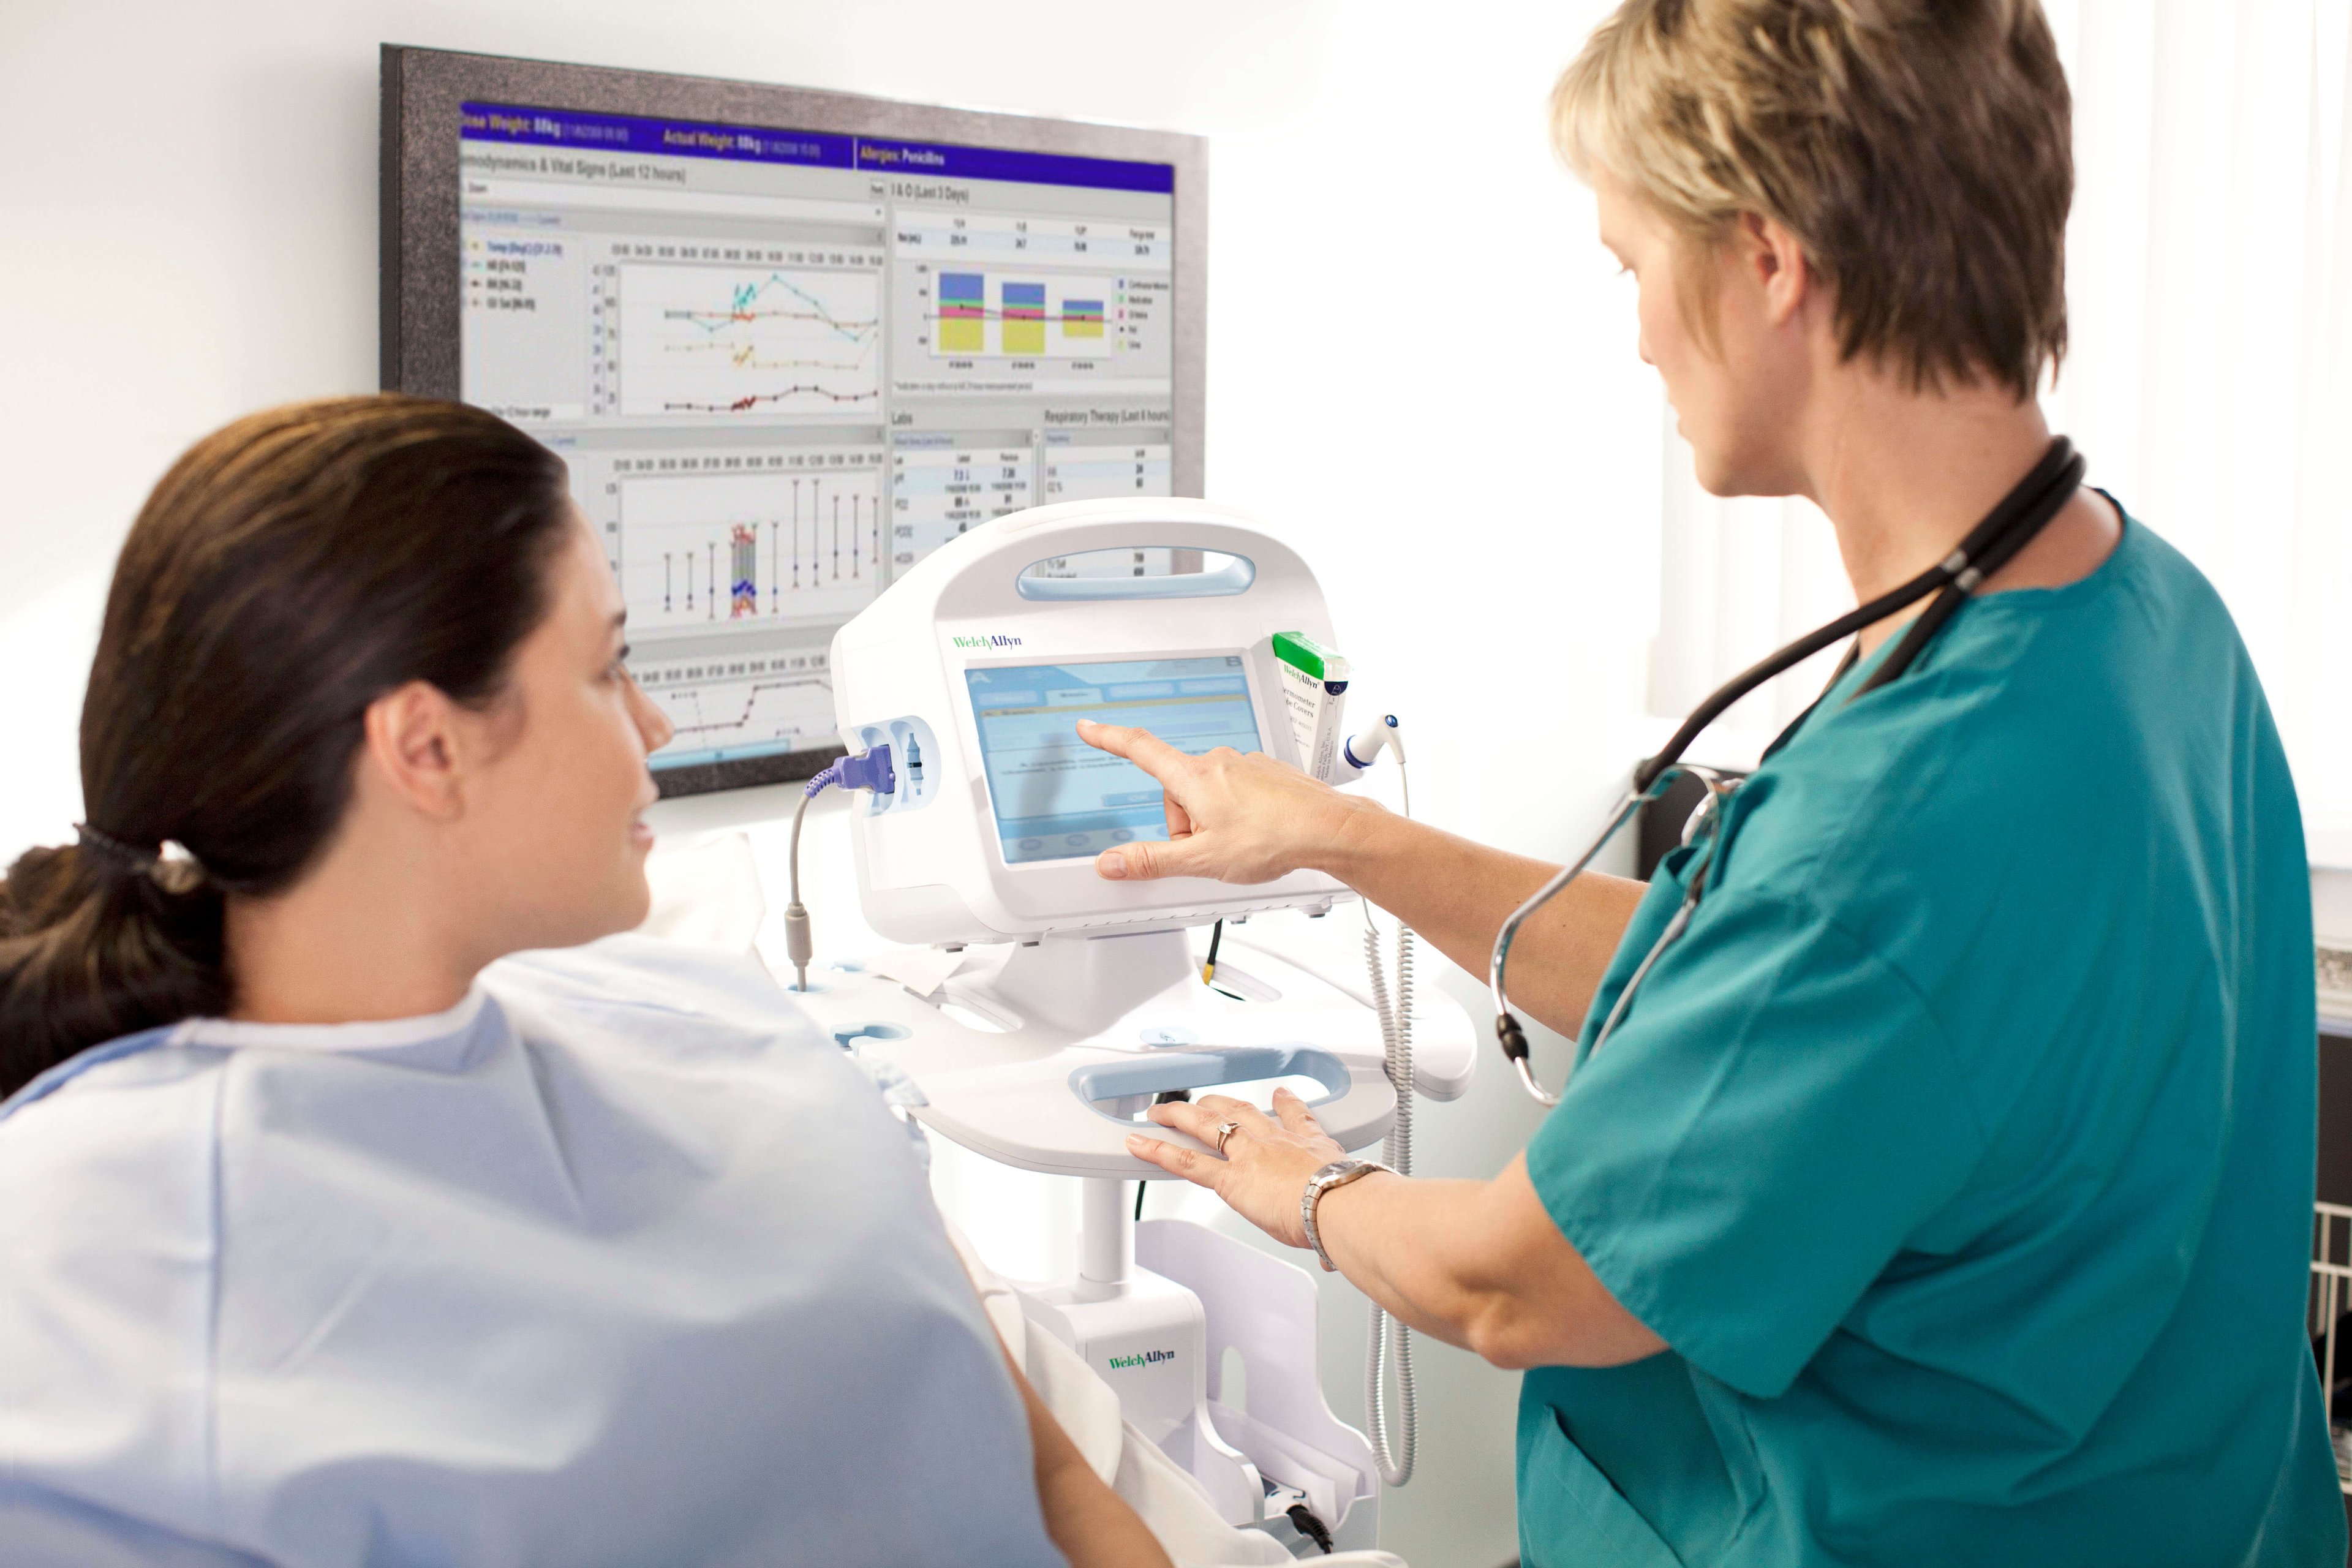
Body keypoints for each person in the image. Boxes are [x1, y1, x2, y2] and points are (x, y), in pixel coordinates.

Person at [1079, 1, 2346, 1563]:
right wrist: (1343, 836)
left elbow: (1513, 1279)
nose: (1638, 335)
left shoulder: (1902, 828)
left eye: (1632, 266)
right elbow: (1782, 1007)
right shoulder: (2145, 622)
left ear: (1768, 256)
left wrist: (1308, 1187)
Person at [0, 396, 1172, 1568]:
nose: (654, 723)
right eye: (609, 669)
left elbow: (1050, 1475)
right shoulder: (90, 1281)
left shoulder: (729, 1020)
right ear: (427, 749)